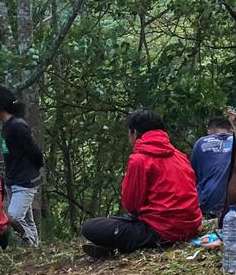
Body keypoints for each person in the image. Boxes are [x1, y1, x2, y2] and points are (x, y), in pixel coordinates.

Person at [81, 109, 202, 258]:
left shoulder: (140, 160)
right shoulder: (179, 156)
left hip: (162, 231)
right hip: (190, 227)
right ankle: (113, 245)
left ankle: (115, 246)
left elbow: (131, 205)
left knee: (90, 227)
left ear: (134, 133)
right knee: (117, 222)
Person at [0, 82, 44, 246]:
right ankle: (35, 249)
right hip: (14, 182)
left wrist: (31, 173)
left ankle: (30, 245)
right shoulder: (8, 126)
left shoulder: (17, 126)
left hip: (25, 182)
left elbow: (36, 154)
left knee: (13, 217)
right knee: (26, 219)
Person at [189, 115, 233, 217]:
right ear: (230, 129)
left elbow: (192, 175)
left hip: (207, 201)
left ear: (209, 130)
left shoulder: (200, 142)